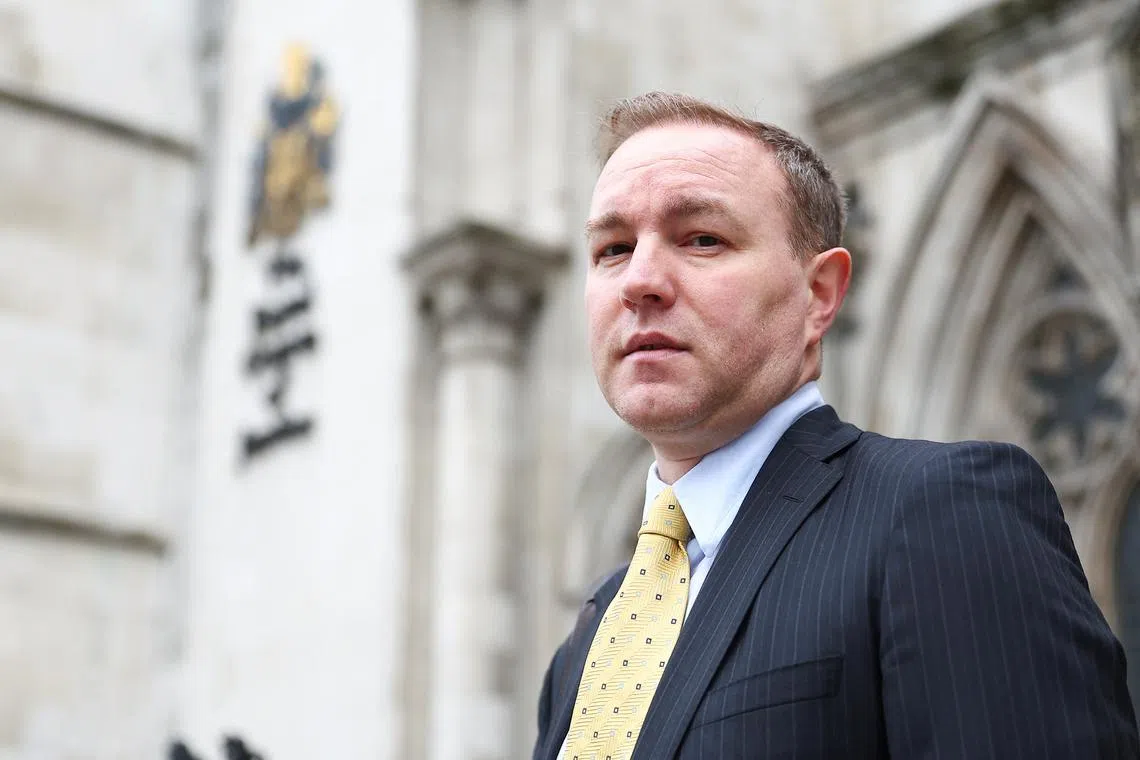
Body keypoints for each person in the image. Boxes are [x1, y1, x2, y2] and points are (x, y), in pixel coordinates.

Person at [532, 91, 1140, 759]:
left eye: (702, 238)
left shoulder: (942, 513)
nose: (640, 280)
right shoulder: (593, 636)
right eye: (612, 248)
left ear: (819, 295)